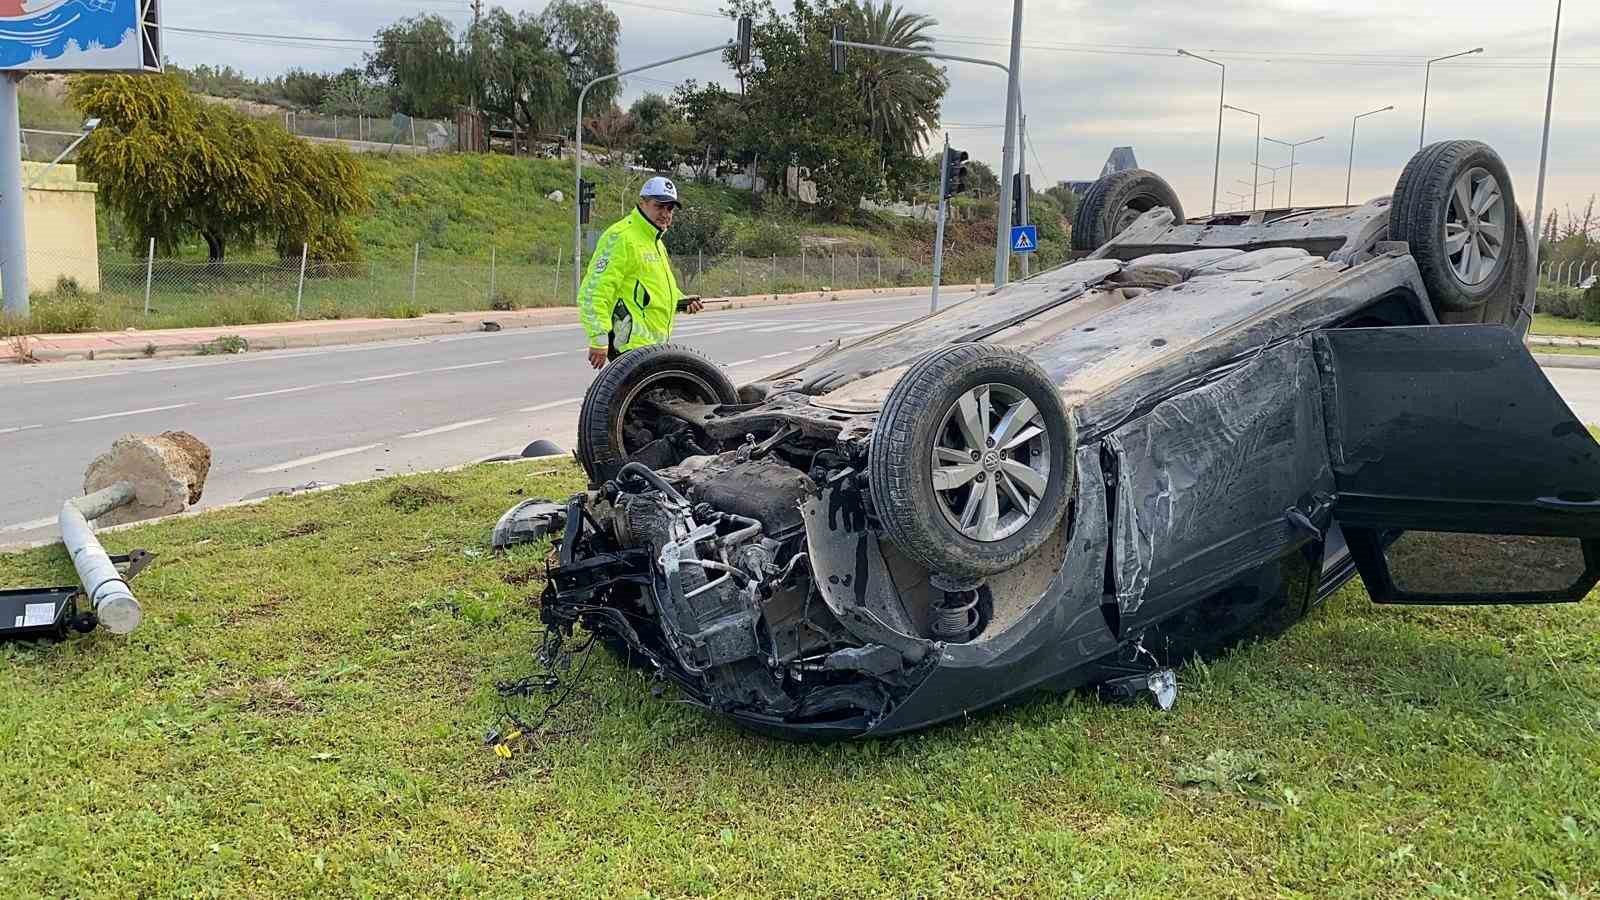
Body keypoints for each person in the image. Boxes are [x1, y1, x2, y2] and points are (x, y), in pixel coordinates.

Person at [578, 176, 704, 369]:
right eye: (659, 206)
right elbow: (593, 291)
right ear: (643, 203)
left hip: (652, 347)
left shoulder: (655, 241)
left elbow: (650, 289)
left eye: (670, 208)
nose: (665, 213)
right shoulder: (621, 236)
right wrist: (599, 339)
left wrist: (681, 301)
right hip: (628, 345)